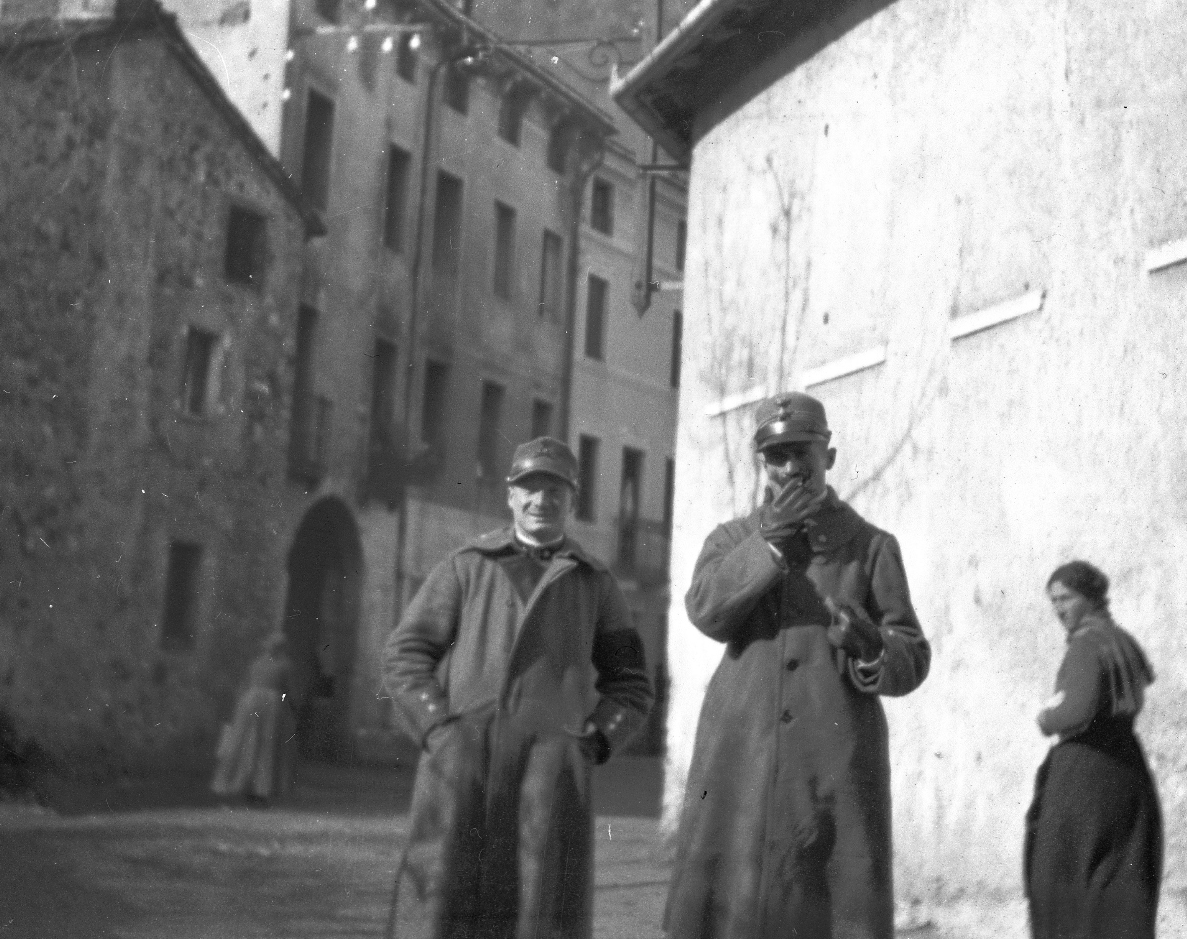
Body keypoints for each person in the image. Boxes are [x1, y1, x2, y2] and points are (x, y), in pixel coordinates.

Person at [665, 391, 930, 939]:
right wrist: (768, 545)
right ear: (761, 464)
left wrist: (872, 647)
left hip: (831, 765)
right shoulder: (731, 539)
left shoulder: (872, 547)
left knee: (824, 911)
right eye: (776, 455)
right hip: (742, 755)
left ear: (828, 456)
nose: (790, 468)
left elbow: (913, 653)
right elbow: (705, 611)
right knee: (734, 909)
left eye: (802, 452)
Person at [383, 436, 654, 939]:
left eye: (555, 491)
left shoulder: (594, 583)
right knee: (443, 908)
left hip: (548, 780)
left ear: (572, 501)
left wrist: (592, 742)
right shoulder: (467, 567)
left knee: (536, 911)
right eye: (529, 489)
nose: (541, 501)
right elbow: (405, 654)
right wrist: (440, 729)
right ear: (510, 496)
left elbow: (632, 683)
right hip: (462, 770)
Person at [1025, 560, 1165, 939]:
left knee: (1063, 876)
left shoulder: (1086, 646)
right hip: (1127, 770)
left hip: (1086, 779)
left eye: (1066, 598)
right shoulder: (1120, 639)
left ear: (1089, 598)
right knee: (1116, 879)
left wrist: (1044, 718)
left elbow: (1076, 710)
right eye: (1053, 601)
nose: (1058, 609)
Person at [210, 633, 297, 803]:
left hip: (253, 703)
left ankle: (252, 786)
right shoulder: (282, 664)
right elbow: (287, 690)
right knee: (261, 744)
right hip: (268, 705)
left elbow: (248, 686)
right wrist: (289, 706)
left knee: (254, 744)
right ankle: (256, 787)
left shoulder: (261, 663)